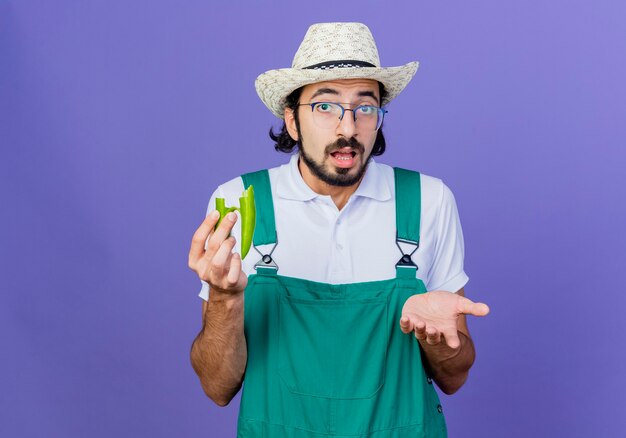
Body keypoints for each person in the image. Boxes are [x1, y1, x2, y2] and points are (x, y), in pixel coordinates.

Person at [188, 22, 490, 437]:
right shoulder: (241, 202)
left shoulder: (429, 201)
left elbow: (455, 378)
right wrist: (224, 296)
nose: (347, 129)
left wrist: (436, 337)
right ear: (292, 120)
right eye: (325, 106)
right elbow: (217, 386)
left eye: (364, 108)